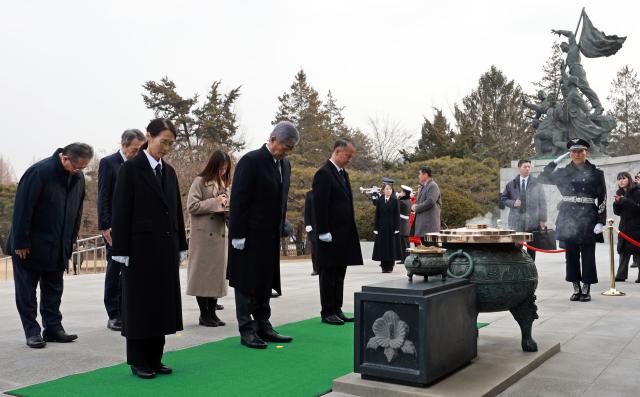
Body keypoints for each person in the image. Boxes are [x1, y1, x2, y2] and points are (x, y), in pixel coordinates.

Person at [111, 118, 187, 379]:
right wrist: (120, 249)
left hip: (165, 247)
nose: (166, 148)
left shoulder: (170, 171)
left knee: (162, 305)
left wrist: (181, 245)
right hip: (139, 249)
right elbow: (120, 210)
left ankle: (156, 358)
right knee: (141, 306)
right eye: (163, 142)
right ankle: (138, 360)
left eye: (170, 144)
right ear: (149, 136)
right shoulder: (131, 169)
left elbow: (175, 210)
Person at [5, 143, 93, 348]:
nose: (79, 171)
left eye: (83, 168)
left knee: (54, 289)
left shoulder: (78, 178)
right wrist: (21, 242)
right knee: (27, 292)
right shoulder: (39, 173)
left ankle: (53, 328)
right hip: (30, 246)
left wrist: (71, 239)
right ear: (64, 158)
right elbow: (22, 209)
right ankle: (32, 332)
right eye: (77, 166)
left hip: (58, 244)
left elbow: (77, 211)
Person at [227, 121, 299, 349]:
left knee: (265, 281)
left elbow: (281, 200)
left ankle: (263, 324)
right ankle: (246, 329)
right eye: (286, 146)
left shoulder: (284, 165)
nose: (287, 151)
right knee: (247, 283)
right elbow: (239, 200)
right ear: (273, 139)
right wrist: (237, 234)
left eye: (291, 148)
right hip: (248, 234)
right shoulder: (251, 161)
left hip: (269, 235)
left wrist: (282, 223)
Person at [539, 138, 606, 302]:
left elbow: (602, 198)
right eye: (573, 152)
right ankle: (576, 286)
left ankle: (586, 287)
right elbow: (542, 177)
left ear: (586, 153)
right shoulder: (562, 172)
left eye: (580, 151)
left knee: (588, 254)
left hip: (588, 216)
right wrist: (554, 162)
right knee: (571, 254)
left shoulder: (597, 173)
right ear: (569, 154)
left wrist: (600, 221)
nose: (576, 154)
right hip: (568, 216)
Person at [98, 129, 145, 332]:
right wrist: (105, 225)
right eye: (134, 149)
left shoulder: (141, 164)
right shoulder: (109, 163)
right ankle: (114, 313)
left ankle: (128, 310)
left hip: (135, 226)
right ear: (124, 145)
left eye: (140, 149)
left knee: (132, 271)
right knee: (115, 269)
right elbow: (104, 195)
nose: (137, 153)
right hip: (115, 228)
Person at [312, 139, 364, 326]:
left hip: (343, 234)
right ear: (337, 152)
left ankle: (337, 308)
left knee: (340, 272)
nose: (349, 159)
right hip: (329, 235)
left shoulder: (343, 174)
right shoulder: (323, 174)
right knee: (328, 273)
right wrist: (323, 231)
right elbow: (320, 206)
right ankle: (327, 311)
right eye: (347, 156)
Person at [186, 150, 232, 327]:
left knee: (217, 277)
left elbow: (226, 204)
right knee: (203, 276)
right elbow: (192, 206)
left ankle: (212, 313)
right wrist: (215, 202)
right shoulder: (200, 181)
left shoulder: (225, 184)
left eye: (225, 169)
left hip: (220, 234)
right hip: (204, 236)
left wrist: (227, 207)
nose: (222, 172)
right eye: (220, 168)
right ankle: (204, 314)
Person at [500, 159, 548, 261]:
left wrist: (542, 220)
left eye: (529, 167)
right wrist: (513, 203)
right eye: (525, 166)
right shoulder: (511, 184)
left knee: (532, 249)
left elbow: (542, 202)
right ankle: (518, 269)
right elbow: (503, 199)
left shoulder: (536, 184)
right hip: (516, 221)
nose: (527, 169)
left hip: (532, 221)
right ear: (519, 168)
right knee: (516, 248)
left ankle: (531, 269)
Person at [552, 29, 603, 114]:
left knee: (585, 88)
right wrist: (564, 76)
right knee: (567, 88)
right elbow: (568, 72)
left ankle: (598, 106)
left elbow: (570, 34)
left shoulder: (573, 47)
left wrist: (559, 31)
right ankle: (574, 110)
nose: (562, 49)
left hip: (578, 69)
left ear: (567, 45)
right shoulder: (568, 57)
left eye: (562, 46)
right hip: (573, 71)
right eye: (561, 48)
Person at [613, 172, 640, 282]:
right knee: (623, 251)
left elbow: (638, 209)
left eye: (623, 178)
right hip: (624, 226)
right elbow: (618, 213)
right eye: (619, 179)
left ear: (629, 179)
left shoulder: (637, 192)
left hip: (637, 226)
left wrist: (624, 201)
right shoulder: (619, 192)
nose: (621, 181)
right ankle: (621, 275)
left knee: (638, 252)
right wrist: (616, 203)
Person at [372, 183, 402, 273]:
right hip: (381, 226)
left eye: (390, 189)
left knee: (391, 246)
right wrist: (376, 228)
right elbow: (377, 215)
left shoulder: (394, 200)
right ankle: (383, 265)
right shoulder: (380, 201)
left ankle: (390, 265)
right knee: (383, 246)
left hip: (391, 227)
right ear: (383, 190)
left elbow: (397, 215)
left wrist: (397, 227)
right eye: (387, 189)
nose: (388, 190)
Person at [412, 166, 442, 240]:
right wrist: (415, 205)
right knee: (424, 249)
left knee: (432, 249)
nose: (418, 176)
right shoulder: (423, 186)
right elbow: (421, 201)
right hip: (423, 226)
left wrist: (417, 207)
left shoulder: (433, 186)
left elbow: (430, 201)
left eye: (420, 174)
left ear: (425, 175)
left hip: (430, 227)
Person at [304, 189, 318, 276]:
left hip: (325, 226)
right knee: (314, 250)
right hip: (313, 227)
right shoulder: (310, 194)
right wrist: (307, 224)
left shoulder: (326, 191)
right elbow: (307, 211)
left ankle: (324, 268)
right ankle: (315, 269)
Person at [398, 185, 413, 263]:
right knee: (406, 243)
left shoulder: (402, 201)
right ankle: (405, 258)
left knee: (403, 243)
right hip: (406, 224)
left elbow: (396, 210)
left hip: (402, 224)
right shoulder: (408, 201)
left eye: (401, 192)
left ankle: (404, 259)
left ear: (404, 193)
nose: (400, 193)